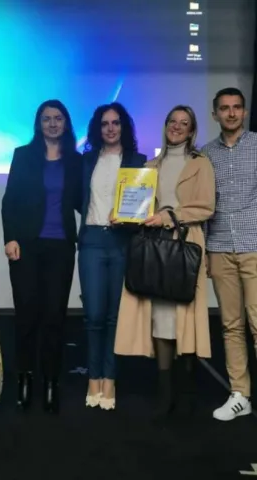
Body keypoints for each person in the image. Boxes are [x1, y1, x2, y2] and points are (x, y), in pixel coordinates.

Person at [115, 105, 215, 419]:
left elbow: (206, 207)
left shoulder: (201, 163)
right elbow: (141, 209)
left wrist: (170, 216)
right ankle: (165, 392)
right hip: (157, 245)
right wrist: (123, 215)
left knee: (186, 317)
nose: (177, 126)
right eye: (173, 121)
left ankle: (186, 391)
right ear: (166, 125)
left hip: (186, 243)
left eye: (184, 123)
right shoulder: (149, 166)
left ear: (192, 130)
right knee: (161, 318)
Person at [2, 99, 82, 414]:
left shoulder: (76, 160)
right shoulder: (23, 155)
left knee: (54, 317)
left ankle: (51, 381)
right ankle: (24, 377)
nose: (52, 123)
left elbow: (85, 200)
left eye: (58, 118)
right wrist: (10, 237)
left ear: (66, 123)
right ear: (38, 123)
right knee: (26, 315)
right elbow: (9, 200)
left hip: (61, 247)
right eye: (46, 118)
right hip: (26, 246)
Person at [79, 102, 146, 410]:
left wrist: (128, 218)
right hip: (92, 240)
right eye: (105, 123)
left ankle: (109, 378)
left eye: (115, 123)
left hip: (122, 242)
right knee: (93, 315)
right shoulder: (86, 159)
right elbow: (80, 199)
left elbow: (143, 206)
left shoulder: (137, 161)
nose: (110, 128)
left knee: (114, 316)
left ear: (123, 126)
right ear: (98, 128)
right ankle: (93, 377)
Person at [202, 88, 257, 421]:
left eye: (237, 107)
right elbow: (206, 206)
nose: (232, 113)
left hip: (254, 245)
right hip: (220, 247)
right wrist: (207, 251)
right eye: (225, 108)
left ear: (245, 112)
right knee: (231, 325)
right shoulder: (206, 154)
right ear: (215, 115)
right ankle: (240, 394)